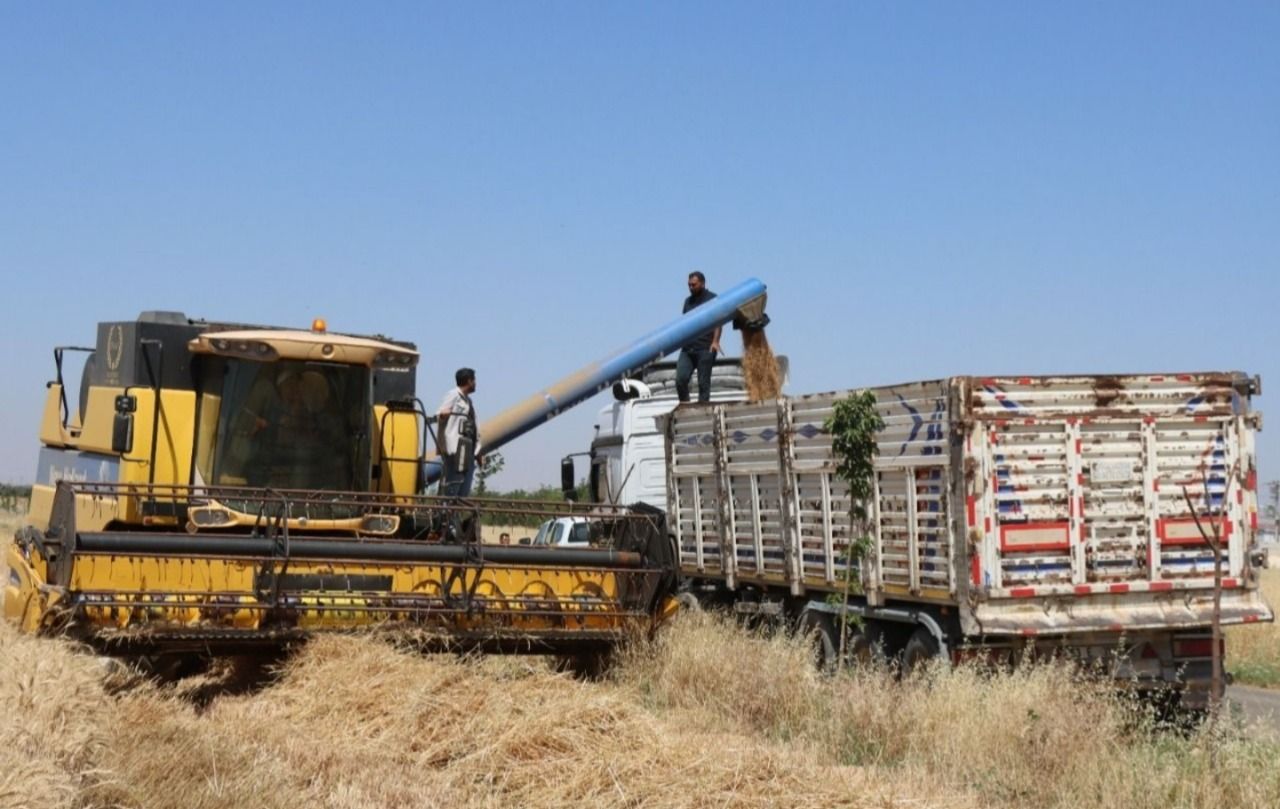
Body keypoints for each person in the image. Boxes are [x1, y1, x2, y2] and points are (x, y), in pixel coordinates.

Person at [676, 271, 721, 403]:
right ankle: (685, 405)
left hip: (705, 347)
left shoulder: (712, 298)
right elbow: (684, 323)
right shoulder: (687, 302)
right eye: (689, 285)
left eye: (693, 285)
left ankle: (702, 410)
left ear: (702, 283)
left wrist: (715, 341)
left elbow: (718, 321)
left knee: (703, 383)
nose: (691, 287)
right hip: (688, 348)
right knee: (680, 379)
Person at [437, 367, 482, 497]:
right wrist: (443, 414)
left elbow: (473, 428)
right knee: (453, 485)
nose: (476, 383)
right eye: (474, 380)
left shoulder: (468, 401)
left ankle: (454, 515)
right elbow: (440, 413)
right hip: (456, 449)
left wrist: (478, 453)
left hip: (467, 450)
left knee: (463, 491)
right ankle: (446, 515)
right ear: (469, 381)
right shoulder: (453, 395)